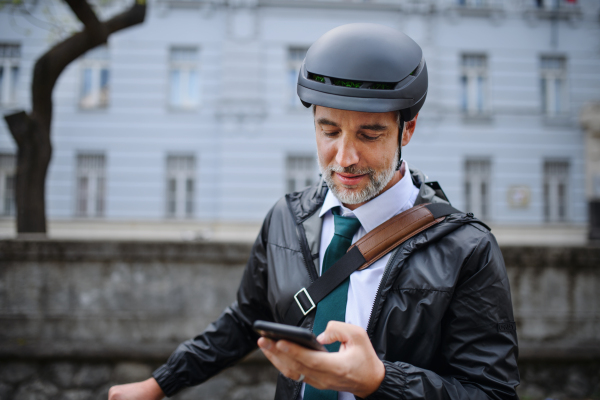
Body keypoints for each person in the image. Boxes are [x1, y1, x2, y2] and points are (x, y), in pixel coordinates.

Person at [108, 23, 519, 400]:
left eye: (370, 134)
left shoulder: (468, 249)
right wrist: (158, 384)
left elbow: (491, 393)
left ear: (406, 129)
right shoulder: (285, 219)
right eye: (329, 131)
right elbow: (244, 320)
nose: (344, 157)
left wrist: (380, 381)